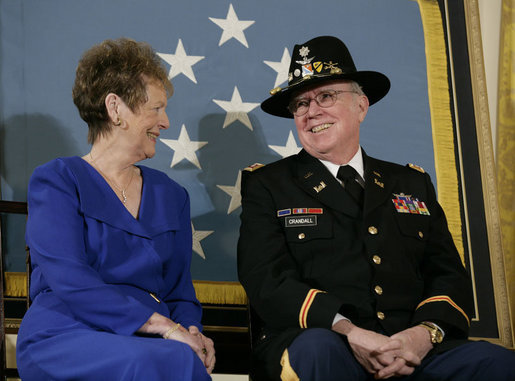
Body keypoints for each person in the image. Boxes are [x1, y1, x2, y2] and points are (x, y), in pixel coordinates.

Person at [237, 36, 515, 381]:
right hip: (325, 340)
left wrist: (422, 335)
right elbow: (266, 279)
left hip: (410, 347)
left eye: (325, 96)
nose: (311, 112)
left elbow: (448, 274)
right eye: (300, 104)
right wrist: (350, 331)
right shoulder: (268, 185)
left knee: (496, 364)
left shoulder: (411, 183)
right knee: (317, 350)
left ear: (361, 106)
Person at [16, 38, 215, 381]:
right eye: (156, 108)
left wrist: (192, 330)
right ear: (115, 108)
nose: (165, 122)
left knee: (180, 360)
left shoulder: (172, 195)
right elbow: (69, 278)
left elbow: (180, 290)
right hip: (66, 332)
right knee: (160, 362)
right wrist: (164, 327)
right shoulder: (57, 180)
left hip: (155, 340)